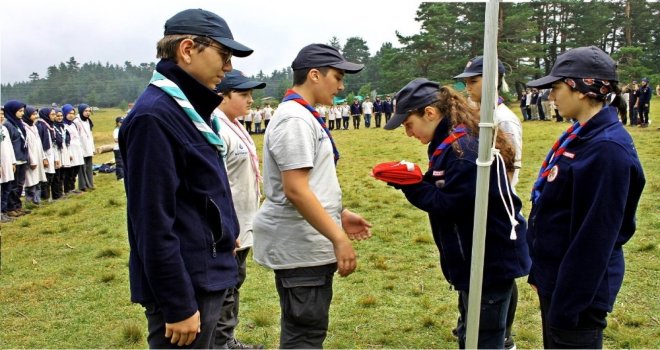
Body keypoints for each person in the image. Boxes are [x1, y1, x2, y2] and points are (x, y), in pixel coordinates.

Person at [118, 8, 253, 348]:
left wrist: (226, 232)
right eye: (223, 55)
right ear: (188, 49)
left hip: (205, 269)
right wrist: (177, 305)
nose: (228, 68)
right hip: (188, 284)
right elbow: (152, 222)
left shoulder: (188, 110)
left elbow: (202, 189)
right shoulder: (155, 117)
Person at [381, 78, 530, 349]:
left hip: (488, 261)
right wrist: (414, 178)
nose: (408, 133)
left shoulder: (464, 151)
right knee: (469, 332)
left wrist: (412, 186)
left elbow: (449, 204)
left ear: (430, 113)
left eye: (408, 124)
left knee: (482, 338)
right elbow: (446, 188)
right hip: (472, 258)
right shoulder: (451, 143)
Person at [253, 43, 372, 348]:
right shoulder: (295, 120)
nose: (342, 86)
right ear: (315, 75)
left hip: (308, 241)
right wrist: (339, 238)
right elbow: (295, 189)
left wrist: (340, 215)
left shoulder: (303, 116)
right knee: (304, 336)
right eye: (338, 76)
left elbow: (309, 182)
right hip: (302, 247)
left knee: (307, 331)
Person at [526, 46, 645, 349]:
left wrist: (568, 305)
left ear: (580, 88)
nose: (551, 96)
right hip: (559, 279)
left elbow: (596, 236)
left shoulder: (606, 149)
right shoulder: (582, 135)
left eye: (556, 87)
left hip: (577, 294)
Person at [453, 55, 524, 349]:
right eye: (466, 81)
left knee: (497, 275)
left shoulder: (503, 118)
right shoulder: (474, 114)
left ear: (493, 80)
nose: (469, 87)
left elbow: (509, 165)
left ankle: (502, 333)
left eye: (474, 80)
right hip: (473, 205)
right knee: (472, 272)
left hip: (495, 208)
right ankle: (467, 323)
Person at [212, 69, 266, 350]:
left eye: (251, 95)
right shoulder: (218, 128)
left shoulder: (236, 124)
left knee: (234, 283)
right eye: (243, 94)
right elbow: (216, 186)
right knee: (226, 289)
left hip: (243, 223)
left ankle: (226, 339)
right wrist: (225, 228)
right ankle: (221, 344)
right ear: (222, 96)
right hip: (229, 228)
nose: (250, 101)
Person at [2, 100, 30, 218]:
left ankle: (18, 206)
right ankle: (11, 208)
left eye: (23, 111)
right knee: (13, 186)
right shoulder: (8, 125)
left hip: (22, 157)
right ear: (12, 111)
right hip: (14, 158)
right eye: (20, 111)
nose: (22, 113)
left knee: (19, 185)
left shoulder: (19, 122)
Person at [22, 106, 47, 205]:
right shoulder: (24, 128)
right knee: (30, 181)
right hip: (31, 159)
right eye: (33, 114)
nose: (36, 116)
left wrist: (44, 157)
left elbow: (39, 144)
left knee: (38, 180)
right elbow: (27, 147)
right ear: (27, 115)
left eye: (36, 114)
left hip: (39, 157)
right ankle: (30, 202)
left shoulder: (34, 127)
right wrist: (32, 160)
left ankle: (37, 200)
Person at [36, 107, 59, 201]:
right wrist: (44, 158)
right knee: (45, 179)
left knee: (50, 178)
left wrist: (55, 158)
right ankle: (45, 199)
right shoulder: (40, 126)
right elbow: (40, 144)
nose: (54, 116)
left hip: (51, 155)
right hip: (45, 156)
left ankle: (47, 198)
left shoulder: (50, 126)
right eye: (52, 114)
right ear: (46, 115)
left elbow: (53, 144)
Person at [1, 107, 17, 222]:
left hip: (7, 163)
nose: (1, 116)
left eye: (2, 114)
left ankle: (4, 212)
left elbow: (10, 147)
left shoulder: (4, 129)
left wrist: (13, 161)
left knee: (7, 188)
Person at [75, 104, 95, 191]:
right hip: (81, 147)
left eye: (89, 111)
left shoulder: (88, 121)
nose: (87, 113)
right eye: (85, 111)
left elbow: (90, 135)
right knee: (82, 168)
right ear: (81, 111)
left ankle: (90, 184)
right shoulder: (76, 121)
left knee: (89, 167)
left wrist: (92, 148)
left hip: (88, 146)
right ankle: (83, 186)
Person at [112, 116, 124, 181]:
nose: (122, 123)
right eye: (120, 122)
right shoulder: (116, 130)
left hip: (122, 148)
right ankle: (120, 176)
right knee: (119, 162)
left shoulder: (122, 129)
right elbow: (116, 139)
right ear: (117, 123)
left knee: (123, 162)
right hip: (118, 148)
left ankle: (119, 173)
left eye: (123, 122)